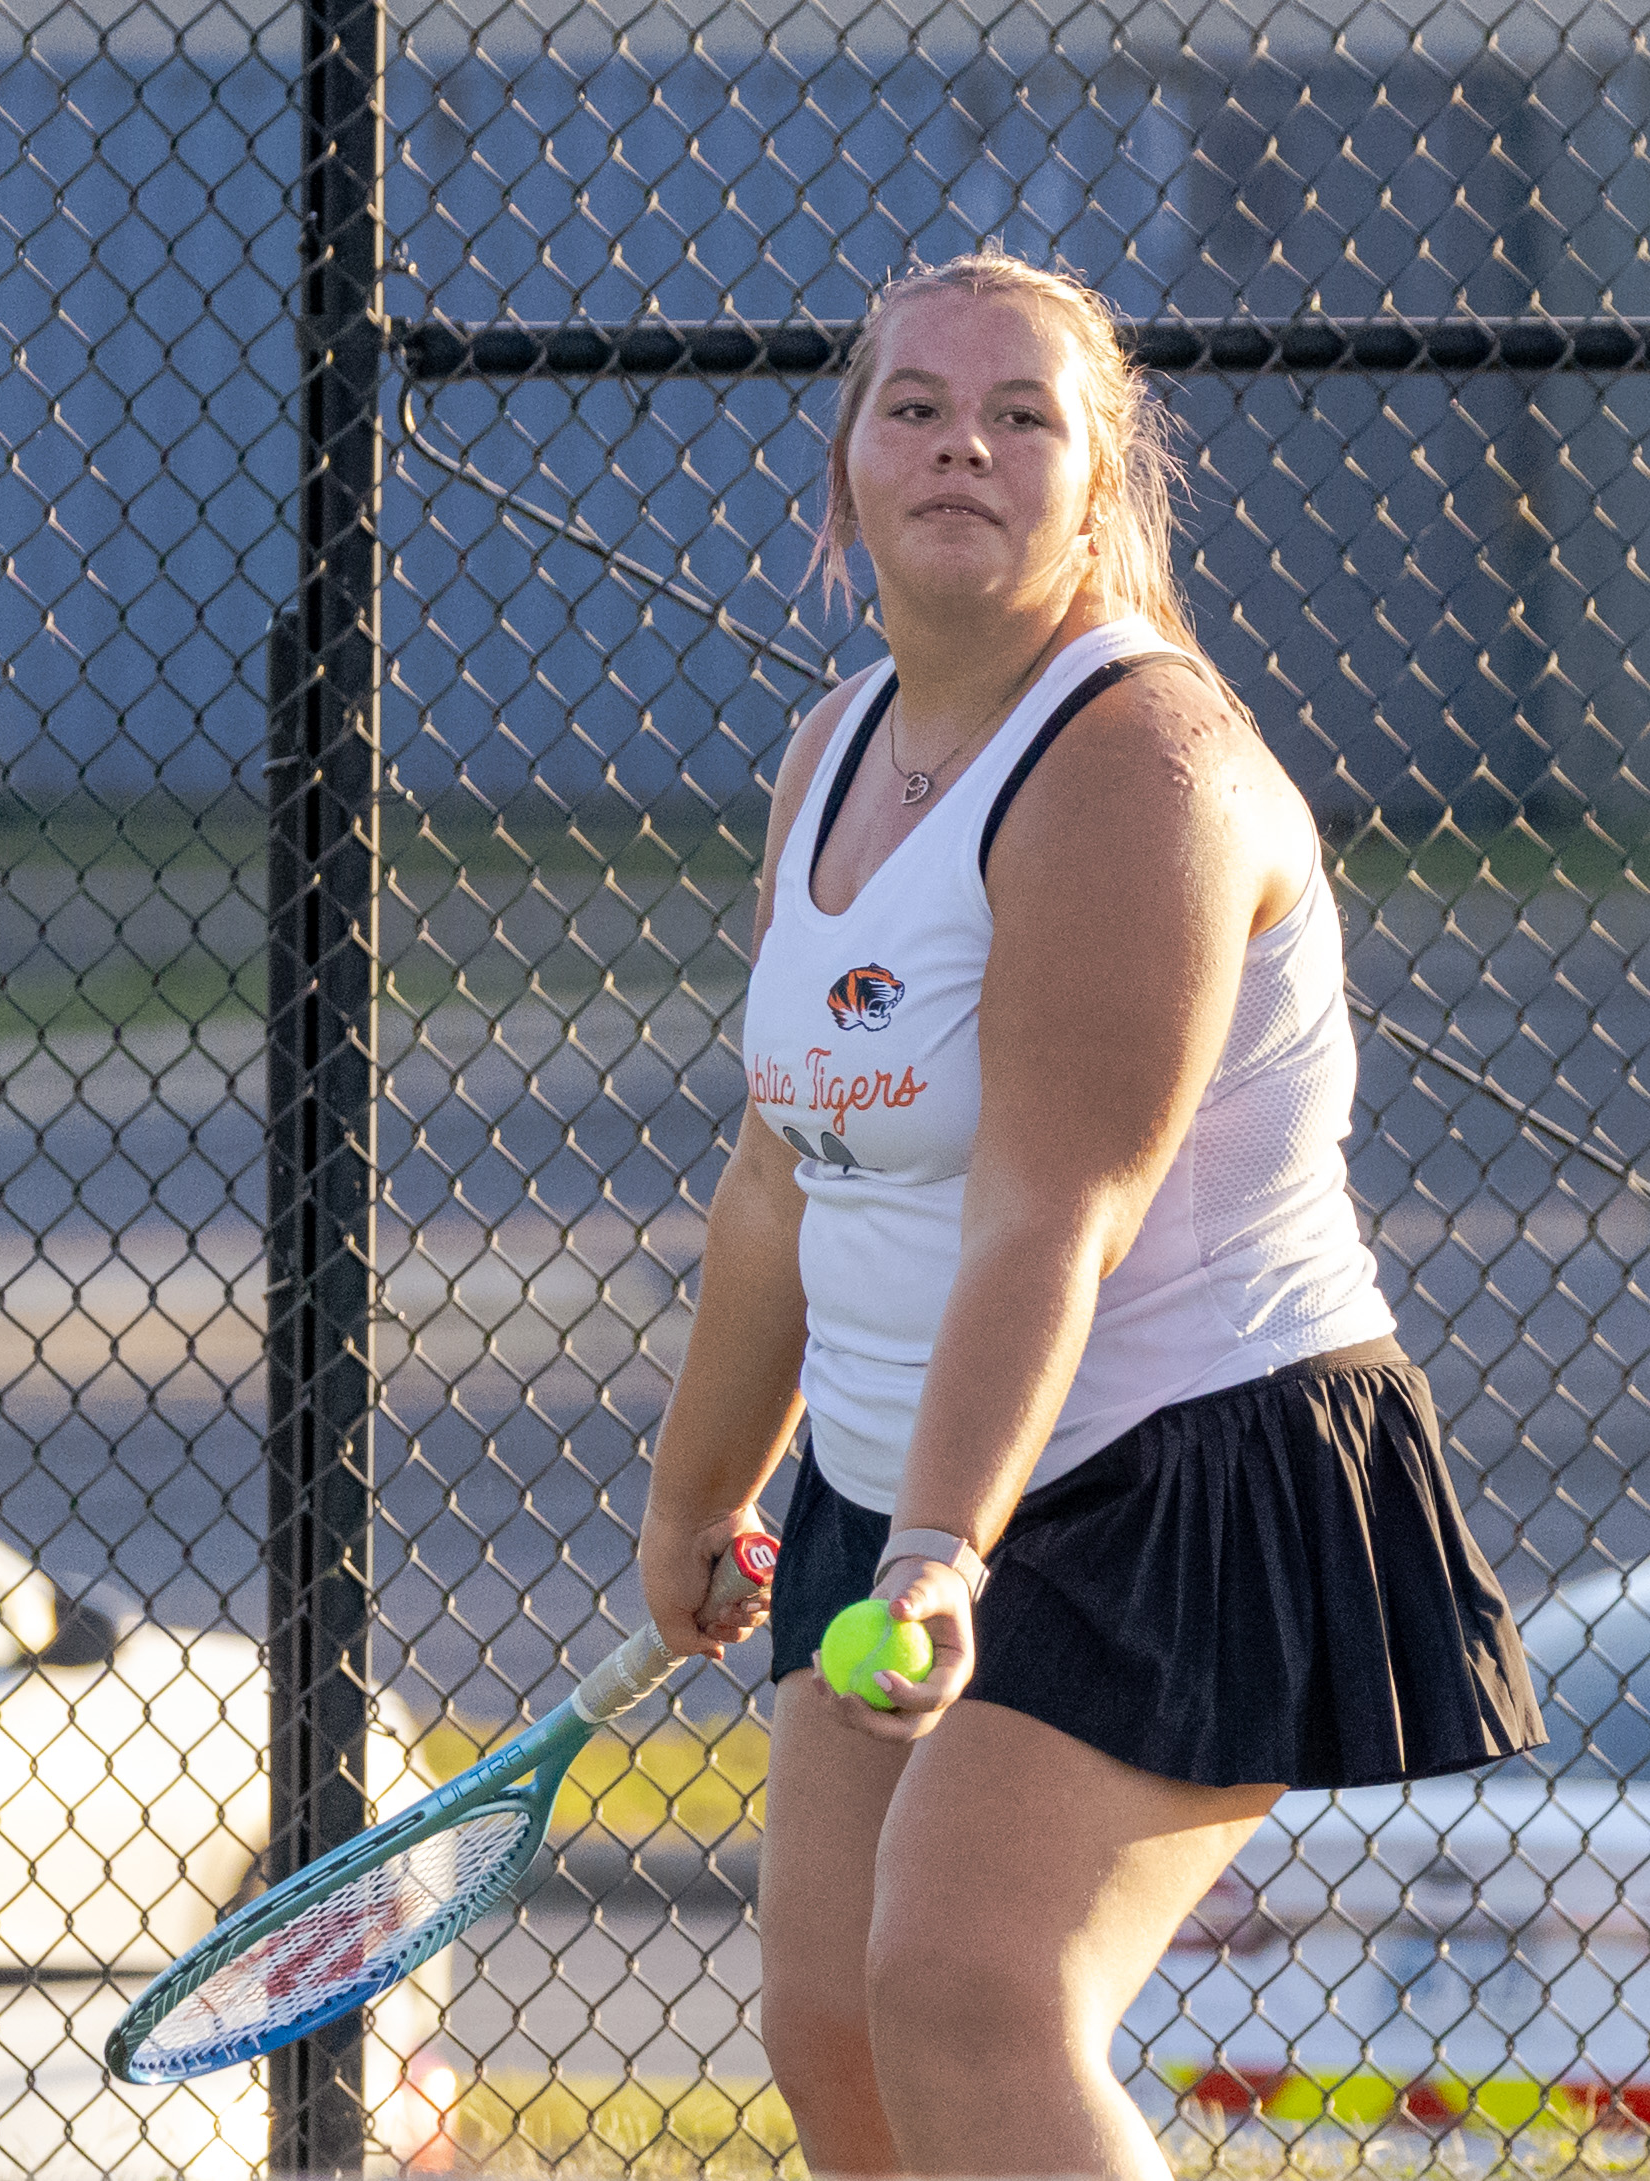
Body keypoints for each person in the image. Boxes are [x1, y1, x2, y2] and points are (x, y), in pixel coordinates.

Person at [635, 243, 1545, 2179]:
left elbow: (1063, 1207)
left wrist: (938, 1547)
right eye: (913, 407)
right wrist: (697, 1490)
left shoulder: (1143, 761)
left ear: (1096, 477)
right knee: (831, 2026)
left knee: (971, 1997)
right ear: (845, 466)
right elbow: (780, 1172)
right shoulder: (836, 745)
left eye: (1018, 415)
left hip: (1172, 1463)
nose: (959, 445)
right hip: (901, 1478)